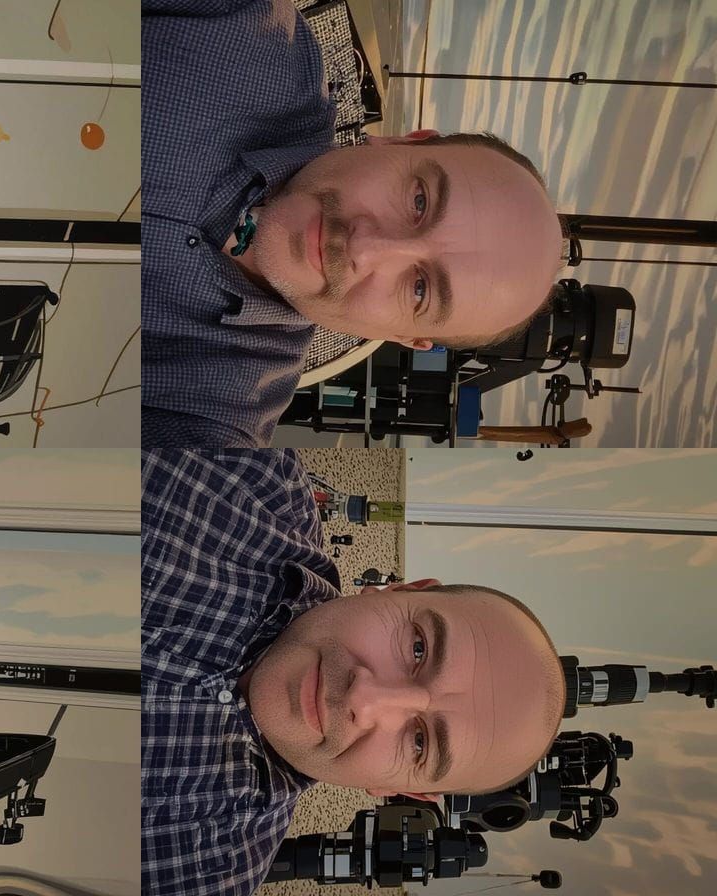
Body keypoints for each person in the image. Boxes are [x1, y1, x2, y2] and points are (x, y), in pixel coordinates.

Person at [141, 0, 565, 448]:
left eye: (419, 289)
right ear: (402, 141)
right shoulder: (244, 27)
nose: (368, 247)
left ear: (404, 336)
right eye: (419, 200)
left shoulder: (215, 420)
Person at [142, 449, 566, 896]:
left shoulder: (208, 873)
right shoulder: (260, 490)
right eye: (418, 646)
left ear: (396, 790)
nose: (364, 701)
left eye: (420, 743)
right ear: (400, 589)